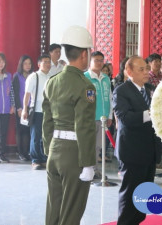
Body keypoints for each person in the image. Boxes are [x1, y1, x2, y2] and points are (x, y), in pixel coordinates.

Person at [42, 25, 96, 225]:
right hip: (75, 155)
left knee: (54, 208)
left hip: (54, 151)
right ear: (84, 54)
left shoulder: (52, 82)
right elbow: (85, 127)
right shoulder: (85, 86)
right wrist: (88, 162)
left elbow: (47, 120)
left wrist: (49, 149)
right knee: (71, 212)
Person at [113, 56, 162, 224]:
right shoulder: (121, 91)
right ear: (129, 72)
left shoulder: (150, 88)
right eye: (141, 69)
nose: (146, 72)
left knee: (144, 194)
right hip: (132, 150)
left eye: (146, 68)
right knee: (129, 194)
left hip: (150, 149)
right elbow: (125, 118)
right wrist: (151, 113)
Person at [84, 51, 113, 177]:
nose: (99, 63)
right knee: (88, 146)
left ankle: (94, 170)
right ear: (90, 61)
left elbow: (110, 98)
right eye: (96, 60)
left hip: (103, 118)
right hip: (89, 118)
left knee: (98, 147)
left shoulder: (106, 78)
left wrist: (110, 115)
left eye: (101, 60)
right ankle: (87, 170)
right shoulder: (85, 77)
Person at [22, 54, 51, 170]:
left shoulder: (50, 77)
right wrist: (25, 108)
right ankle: (35, 160)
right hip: (37, 110)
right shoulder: (34, 76)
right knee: (35, 136)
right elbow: (27, 94)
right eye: (45, 62)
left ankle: (43, 158)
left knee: (45, 136)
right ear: (39, 64)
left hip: (48, 111)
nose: (48, 64)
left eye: (49, 62)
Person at [12, 55, 34, 161]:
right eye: (25, 63)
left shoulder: (33, 76)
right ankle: (20, 152)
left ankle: (26, 152)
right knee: (20, 130)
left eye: (29, 63)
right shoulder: (17, 76)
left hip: (31, 107)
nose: (28, 65)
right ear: (21, 64)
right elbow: (15, 93)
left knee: (28, 130)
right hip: (21, 107)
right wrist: (19, 108)